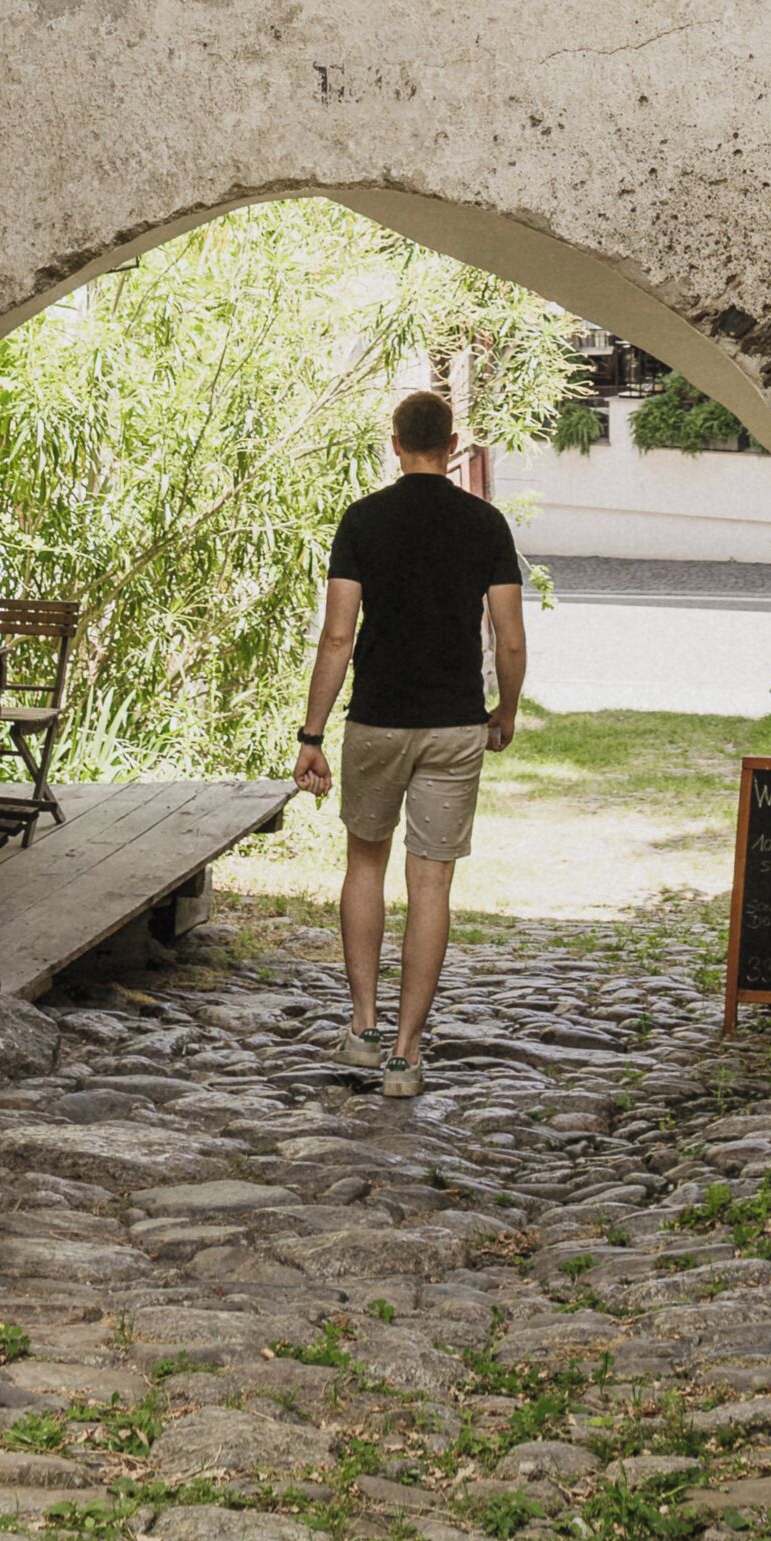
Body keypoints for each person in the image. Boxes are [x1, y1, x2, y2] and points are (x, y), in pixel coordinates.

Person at [292, 388, 525, 1095]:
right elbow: (508, 636)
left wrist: (312, 733)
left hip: (376, 719)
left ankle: (362, 1027)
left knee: (365, 866)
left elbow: (338, 636)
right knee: (431, 886)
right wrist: (504, 711)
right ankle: (406, 1053)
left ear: (395, 443)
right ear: (452, 448)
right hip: (455, 721)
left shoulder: (363, 521)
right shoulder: (485, 524)